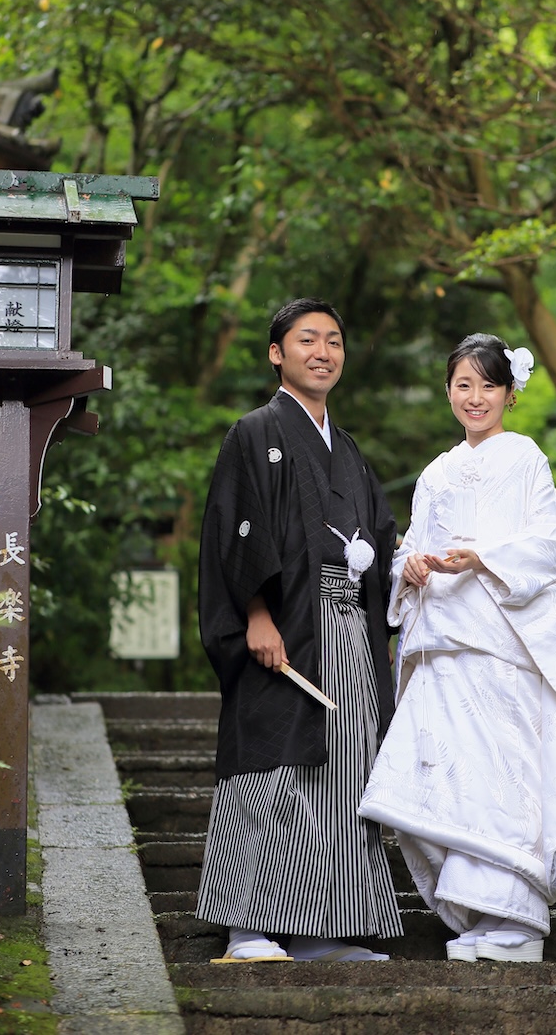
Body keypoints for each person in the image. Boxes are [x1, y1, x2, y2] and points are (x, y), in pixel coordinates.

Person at [358, 332, 556, 963]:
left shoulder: (525, 457)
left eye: (489, 384)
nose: (476, 397)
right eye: (464, 384)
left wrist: (483, 557)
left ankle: (513, 920)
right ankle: (474, 914)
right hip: (442, 643)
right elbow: (411, 543)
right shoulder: (436, 470)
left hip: (499, 643)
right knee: (443, 775)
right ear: (448, 392)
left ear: (511, 394)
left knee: (498, 773)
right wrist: (409, 569)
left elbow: (551, 538)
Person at [195, 298, 402, 962]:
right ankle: (248, 926)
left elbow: (382, 539)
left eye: (334, 341)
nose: (323, 352)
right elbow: (237, 528)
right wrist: (254, 615)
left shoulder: (347, 449)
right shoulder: (255, 432)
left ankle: (322, 929)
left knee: (342, 773)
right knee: (273, 766)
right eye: (307, 340)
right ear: (276, 353)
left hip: (348, 627)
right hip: (285, 626)